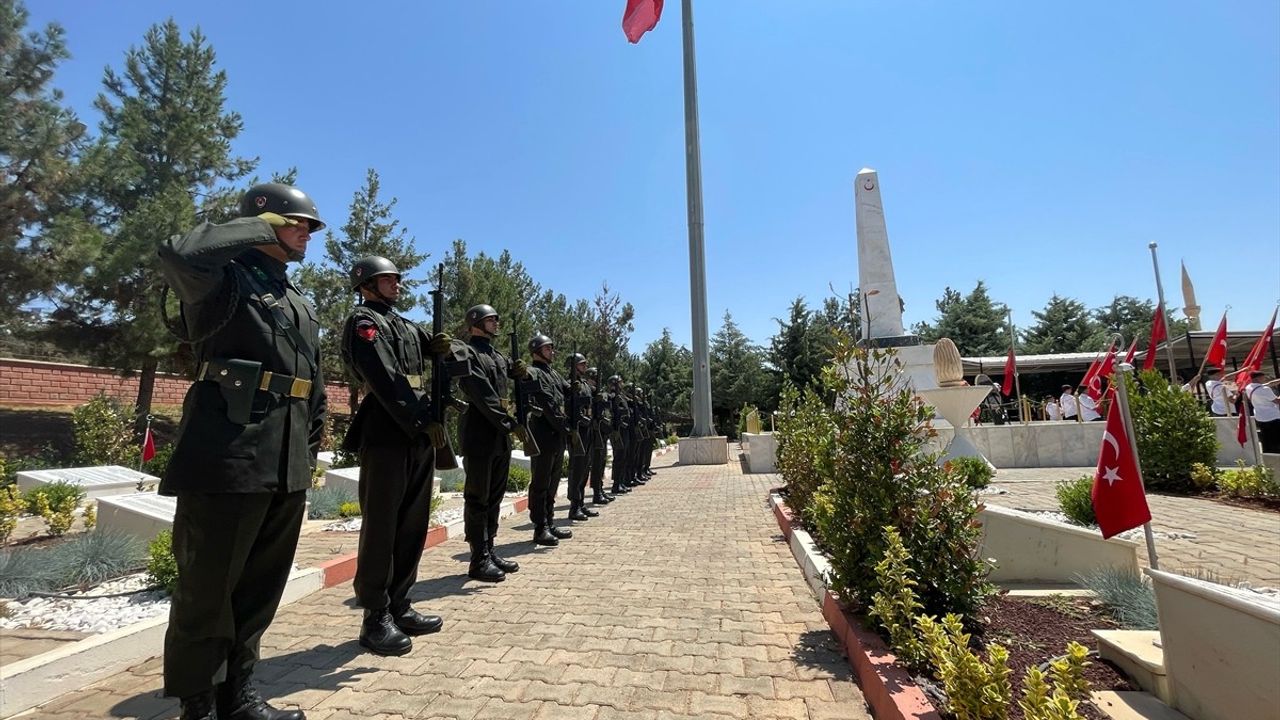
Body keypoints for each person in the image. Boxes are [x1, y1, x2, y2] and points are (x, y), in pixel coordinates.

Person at [157, 183, 327, 720]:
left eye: (308, 225)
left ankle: (239, 692)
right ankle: (199, 701)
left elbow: (310, 378)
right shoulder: (219, 280)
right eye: (295, 222)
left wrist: (312, 442)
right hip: (228, 451)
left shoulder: (294, 297)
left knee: (258, 586)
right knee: (208, 587)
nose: (306, 232)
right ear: (264, 221)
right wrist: (259, 226)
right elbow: (179, 249)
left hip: (284, 456)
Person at [339, 256, 453, 656]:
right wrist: (420, 418)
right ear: (366, 283)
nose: (397, 283)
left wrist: (444, 348)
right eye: (388, 278)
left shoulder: (404, 325)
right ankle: (375, 616)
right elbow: (383, 378)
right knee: (383, 525)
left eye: (397, 278)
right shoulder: (363, 323)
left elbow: (440, 359)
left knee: (412, 523)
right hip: (389, 429)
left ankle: (400, 603)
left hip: (420, 432)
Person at [446, 305, 528, 582]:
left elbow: (511, 388)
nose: (496, 323)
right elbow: (480, 393)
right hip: (480, 432)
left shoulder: (497, 355)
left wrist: (520, 373)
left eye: (496, 318)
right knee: (478, 496)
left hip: (499, 434)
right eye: (490, 319)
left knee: (495, 495)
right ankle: (478, 557)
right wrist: (510, 423)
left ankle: (490, 549)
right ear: (475, 323)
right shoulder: (465, 351)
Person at [523, 333, 574, 545]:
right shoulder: (533, 372)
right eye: (547, 348)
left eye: (552, 348)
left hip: (557, 433)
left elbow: (567, 391)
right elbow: (546, 404)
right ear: (536, 351)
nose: (552, 351)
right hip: (543, 433)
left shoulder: (552, 372)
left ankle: (549, 521)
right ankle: (540, 526)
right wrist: (564, 425)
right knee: (541, 482)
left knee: (553, 480)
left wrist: (577, 386)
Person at [564, 353, 598, 521]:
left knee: (585, 468)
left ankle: (581, 503)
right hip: (576, 429)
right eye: (581, 364)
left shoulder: (583, 383)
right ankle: (574, 506)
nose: (585, 366)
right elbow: (567, 407)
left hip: (587, 429)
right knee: (576, 469)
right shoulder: (569, 383)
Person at [585, 367, 614, 506]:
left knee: (601, 462)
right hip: (593, 431)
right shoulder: (586, 390)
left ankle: (600, 490)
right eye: (595, 377)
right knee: (596, 463)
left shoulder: (600, 393)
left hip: (601, 432)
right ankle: (596, 492)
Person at [608, 375, 633, 495]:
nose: (622, 384)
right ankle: (616, 484)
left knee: (623, 456)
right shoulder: (612, 397)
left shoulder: (621, 396)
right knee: (618, 457)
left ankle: (621, 482)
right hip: (617, 430)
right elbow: (612, 412)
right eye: (620, 382)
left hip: (624, 429)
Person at [1245, 371, 1280, 453]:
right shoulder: (1265, 389)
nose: (1264, 379)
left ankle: (1267, 456)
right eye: (1263, 377)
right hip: (1272, 417)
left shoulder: (1248, 387)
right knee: (1276, 439)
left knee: (1265, 439)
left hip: (1260, 416)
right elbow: (1277, 401)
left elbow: (1266, 384)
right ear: (1258, 378)